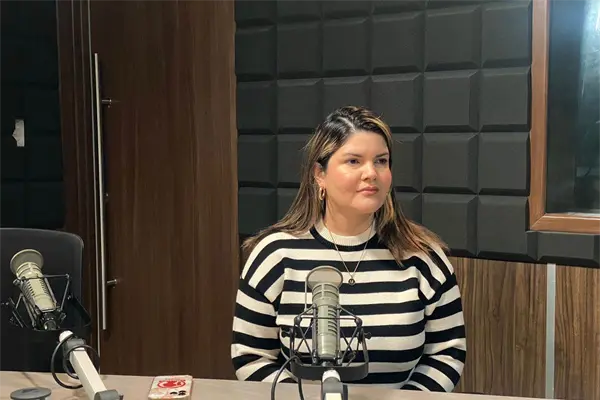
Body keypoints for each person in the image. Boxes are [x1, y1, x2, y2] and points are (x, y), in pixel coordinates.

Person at [231, 105, 466, 391]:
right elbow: (251, 356)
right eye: (354, 161)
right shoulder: (275, 255)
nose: (371, 173)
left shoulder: (423, 256)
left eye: (381, 161)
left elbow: (447, 352)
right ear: (319, 174)